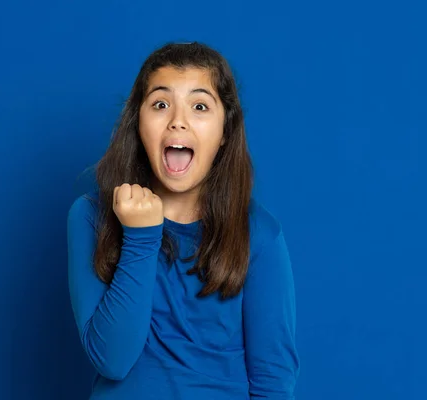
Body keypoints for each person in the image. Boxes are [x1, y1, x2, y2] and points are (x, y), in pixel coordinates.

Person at [67, 41, 300, 399]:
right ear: (137, 123)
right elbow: (112, 360)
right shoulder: (90, 216)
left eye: (200, 106)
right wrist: (141, 236)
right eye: (161, 104)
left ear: (224, 133)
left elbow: (273, 380)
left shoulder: (259, 234)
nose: (178, 120)